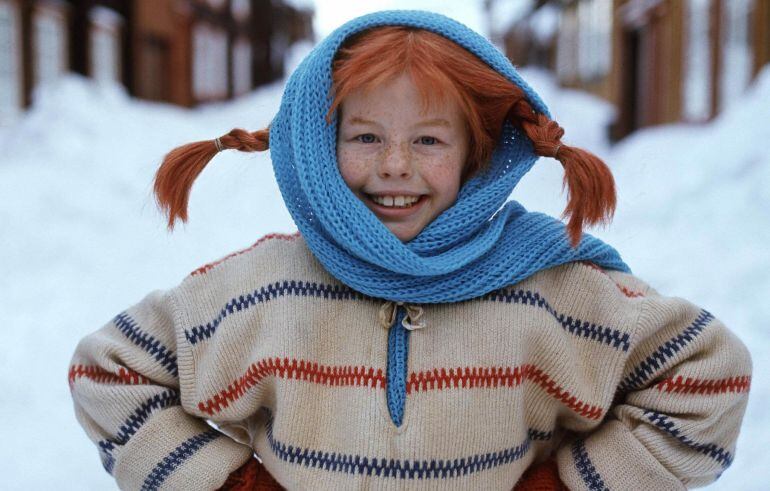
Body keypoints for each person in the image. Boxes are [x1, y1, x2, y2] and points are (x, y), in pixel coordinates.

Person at [67, 10, 752, 491]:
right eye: (366, 137)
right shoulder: (264, 287)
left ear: (478, 152)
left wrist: (569, 484)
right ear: (321, 143)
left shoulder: (552, 291)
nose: (396, 165)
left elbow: (706, 377)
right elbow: (111, 373)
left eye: (429, 140)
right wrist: (232, 483)